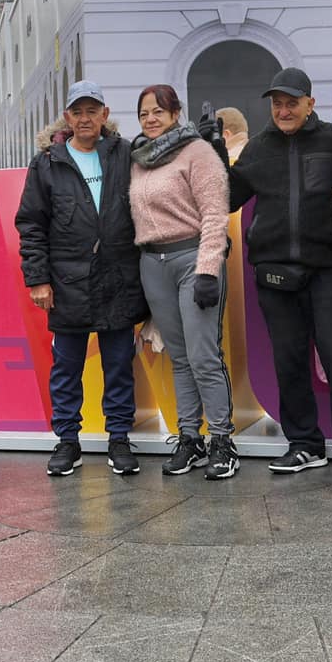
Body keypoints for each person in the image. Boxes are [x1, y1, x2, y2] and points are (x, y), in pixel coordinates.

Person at [209, 68, 332, 476]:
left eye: (291, 103)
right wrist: (212, 158)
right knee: (289, 362)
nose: (283, 110)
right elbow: (227, 198)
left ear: (310, 104)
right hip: (275, 273)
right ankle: (304, 445)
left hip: (328, 268)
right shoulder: (259, 148)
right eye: (277, 103)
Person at [17, 80, 148, 477]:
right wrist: (38, 279)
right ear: (67, 116)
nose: (85, 118)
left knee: (119, 366)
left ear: (105, 115)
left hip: (118, 280)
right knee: (66, 367)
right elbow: (31, 225)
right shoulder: (47, 163)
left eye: (93, 110)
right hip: (67, 283)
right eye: (78, 111)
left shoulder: (126, 154)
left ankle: (120, 439)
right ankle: (67, 441)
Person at [129, 85, 237, 478]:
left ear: (176, 114)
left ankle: (223, 439)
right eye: (144, 113)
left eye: (158, 111)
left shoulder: (198, 153)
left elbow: (214, 213)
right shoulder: (139, 157)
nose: (151, 119)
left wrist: (208, 268)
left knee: (203, 354)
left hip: (192, 259)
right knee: (178, 356)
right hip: (152, 263)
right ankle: (189, 438)